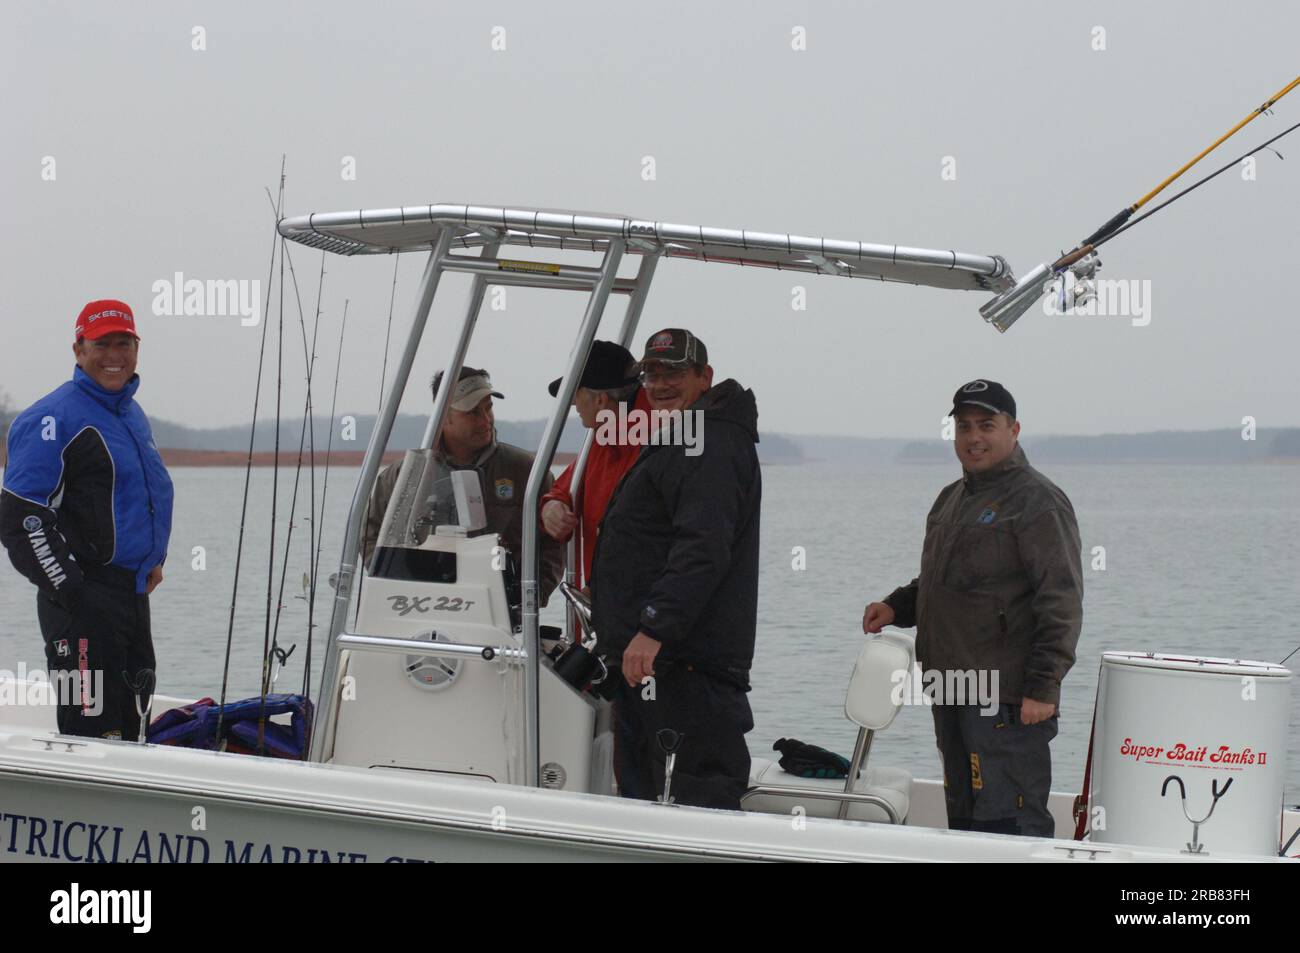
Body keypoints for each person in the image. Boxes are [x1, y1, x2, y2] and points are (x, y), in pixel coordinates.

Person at [862, 379, 1083, 837]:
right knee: (964, 819)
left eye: (986, 425)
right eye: (963, 427)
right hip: (951, 687)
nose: (973, 437)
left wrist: (1044, 687)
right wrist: (896, 606)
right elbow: (945, 584)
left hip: (1006, 699)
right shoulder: (951, 499)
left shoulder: (1038, 501)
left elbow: (1060, 600)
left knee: (1008, 823)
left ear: (1014, 429)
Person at [591, 328, 761, 809]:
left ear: (704, 377)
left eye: (674, 373)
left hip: (685, 668)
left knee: (694, 802)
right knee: (647, 799)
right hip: (657, 664)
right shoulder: (685, 435)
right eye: (652, 375)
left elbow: (702, 547)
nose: (660, 385)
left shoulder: (708, 441)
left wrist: (653, 628)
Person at [0, 299, 174, 741]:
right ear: (79, 350)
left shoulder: (131, 414)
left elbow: (138, 496)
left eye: (124, 343)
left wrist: (152, 559)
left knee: (135, 722)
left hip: (131, 595)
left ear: (137, 349)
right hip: (79, 602)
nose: (114, 356)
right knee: (92, 735)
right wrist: (73, 590)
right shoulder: (51, 417)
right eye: (101, 345)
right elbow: (21, 516)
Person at [361, 365, 564, 606]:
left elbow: (552, 543)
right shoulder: (400, 476)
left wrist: (530, 597)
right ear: (443, 416)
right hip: (419, 609)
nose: (486, 420)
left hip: (500, 616)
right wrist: (396, 581)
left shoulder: (528, 471)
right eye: (473, 412)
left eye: (489, 408)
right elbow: (370, 536)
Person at [540, 340, 650, 587]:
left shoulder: (660, 441)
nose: (572, 405)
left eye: (575, 394)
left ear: (600, 400)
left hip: (637, 617)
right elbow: (565, 488)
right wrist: (553, 507)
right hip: (604, 610)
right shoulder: (604, 436)